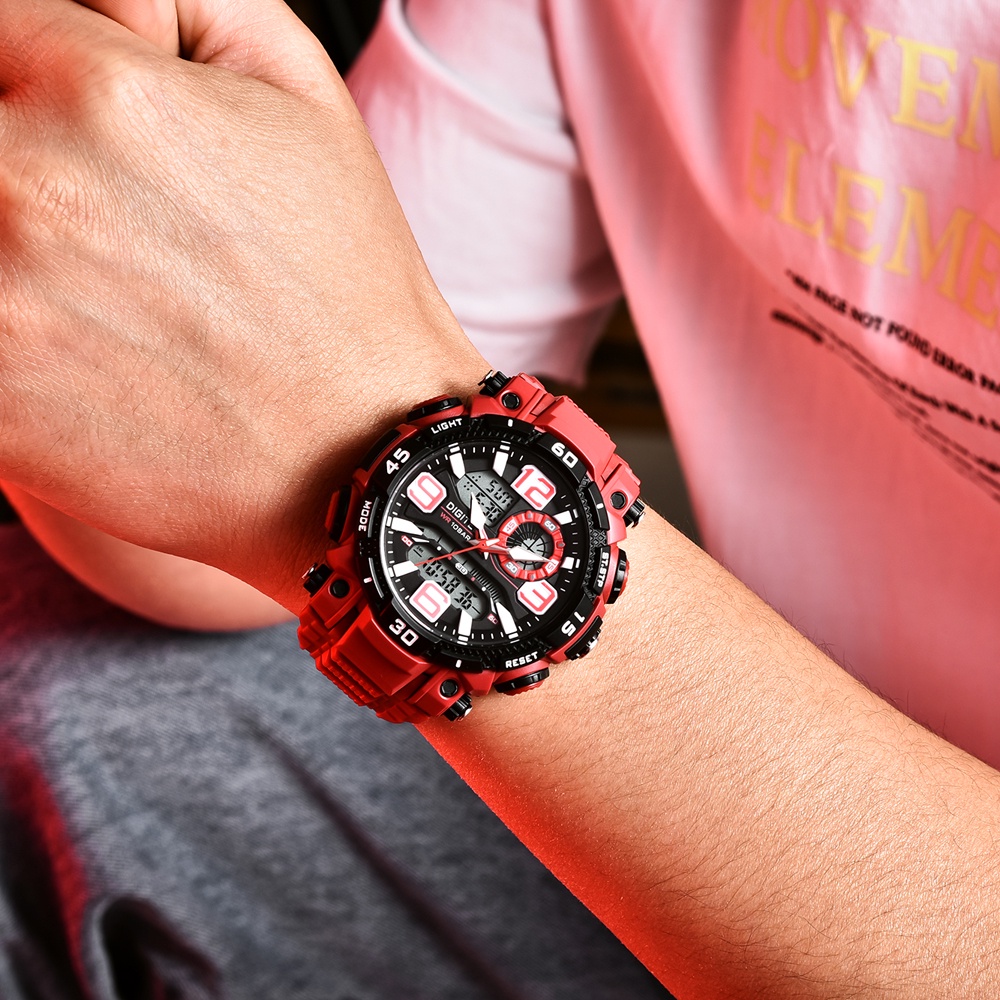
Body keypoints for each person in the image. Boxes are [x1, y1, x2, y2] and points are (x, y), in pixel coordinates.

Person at [0, 0, 998, 997]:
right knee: (54, 681)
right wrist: (91, 170)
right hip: (725, 742)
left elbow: (321, 410)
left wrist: (334, 419)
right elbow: (219, 489)